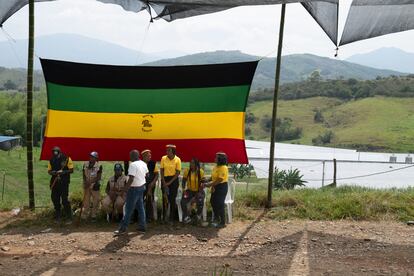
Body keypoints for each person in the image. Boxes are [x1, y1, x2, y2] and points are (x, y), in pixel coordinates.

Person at [114, 150, 148, 235]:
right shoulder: (143, 163)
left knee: (128, 209)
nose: (129, 157)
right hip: (141, 187)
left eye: (130, 156)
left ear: (133, 156)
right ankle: (142, 227)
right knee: (140, 208)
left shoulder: (132, 165)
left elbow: (131, 179)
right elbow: (147, 175)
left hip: (134, 189)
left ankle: (122, 229)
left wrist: (124, 190)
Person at [48, 146, 74, 223]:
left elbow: (71, 170)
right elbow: (49, 171)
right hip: (55, 182)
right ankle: (58, 215)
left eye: (56, 153)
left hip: (64, 182)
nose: (55, 155)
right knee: (55, 199)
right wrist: (53, 172)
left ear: (59, 152)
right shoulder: (51, 159)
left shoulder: (67, 158)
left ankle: (69, 217)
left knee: (64, 200)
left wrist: (63, 172)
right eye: (53, 153)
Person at [205, 152, 229, 228]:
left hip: (221, 187)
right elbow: (213, 177)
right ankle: (216, 218)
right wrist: (207, 180)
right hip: (216, 186)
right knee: (213, 201)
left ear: (220, 159)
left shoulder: (223, 167)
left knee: (220, 204)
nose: (214, 159)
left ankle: (222, 222)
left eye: (216, 157)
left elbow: (219, 179)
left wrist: (209, 184)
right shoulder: (216, 167)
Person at [160, 144, 181, 222]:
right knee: (165, 199)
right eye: (167, 150)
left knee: (172, 200)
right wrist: (164, 182)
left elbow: (178, 173)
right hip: (164, 179)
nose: (167, 151)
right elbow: (161, 170)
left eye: (169, 150)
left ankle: (171, 218)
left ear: (173, 151)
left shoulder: (177, 159)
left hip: (173, 181)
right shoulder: (163, 158)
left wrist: (169, 183)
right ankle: (164, 217)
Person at [181, 158, 205, 224]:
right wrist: (184, 190)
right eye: (190, 163)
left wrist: (198, 194)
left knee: (200, 201)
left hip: (199, 191)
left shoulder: (201, 172)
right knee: (183, 201)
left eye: (193, 163)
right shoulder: (187, 171)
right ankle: (186, 217)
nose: (191, 164)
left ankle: (198, 217)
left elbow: (203, 183)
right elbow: (183, 181)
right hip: (189, 191)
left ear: (196, 164)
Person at [82, 151, 103, 221]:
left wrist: (90, 182)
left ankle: (94, 215)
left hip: (95, 185)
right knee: (86, 201)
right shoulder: (85, 164)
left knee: (96, 201)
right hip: (86, 185)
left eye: (93, 157)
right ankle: (85, 215)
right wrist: (85, 182)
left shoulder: (99, 166)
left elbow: (99, 177)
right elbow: (83, 174)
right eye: (90, 156)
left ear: (96, 158)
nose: (91, 158)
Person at [141, 149, 159, 222]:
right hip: (141, 185)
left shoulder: (153, 163)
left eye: (150, 155)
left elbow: (157, 174)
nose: (150, 157)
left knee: (149, 198)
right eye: (148, 156)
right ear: (144, 157)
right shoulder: (140, 164)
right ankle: (139, 216)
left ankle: (149, 217)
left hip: (151, 184)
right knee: (139, 200)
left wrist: (152, 183)